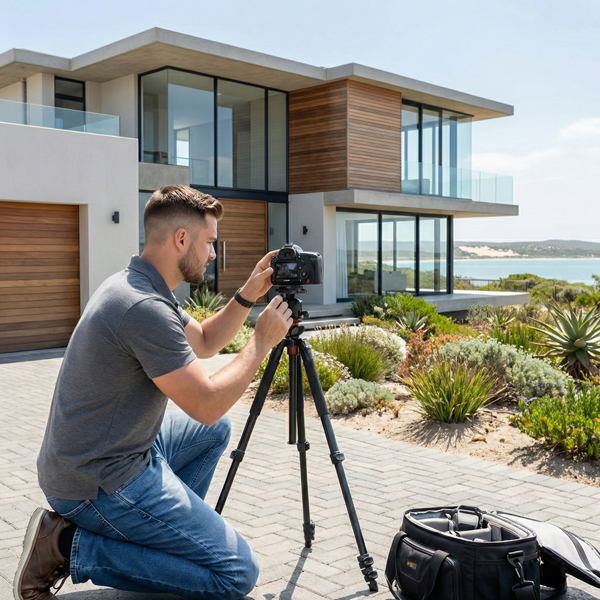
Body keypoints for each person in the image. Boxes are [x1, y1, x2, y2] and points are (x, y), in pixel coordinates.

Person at [14, 185, 293, 600]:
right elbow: (206, 404)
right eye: (210, 242)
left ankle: (163, 541)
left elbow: (204, 341)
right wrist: (261, 342)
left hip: (112, 452)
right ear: (182, 239)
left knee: (214, 434)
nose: (214, 254)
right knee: (236, 574)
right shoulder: (142, 307)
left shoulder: (139, 284)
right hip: (96, 479)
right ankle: (65, 546)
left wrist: (247, 294)